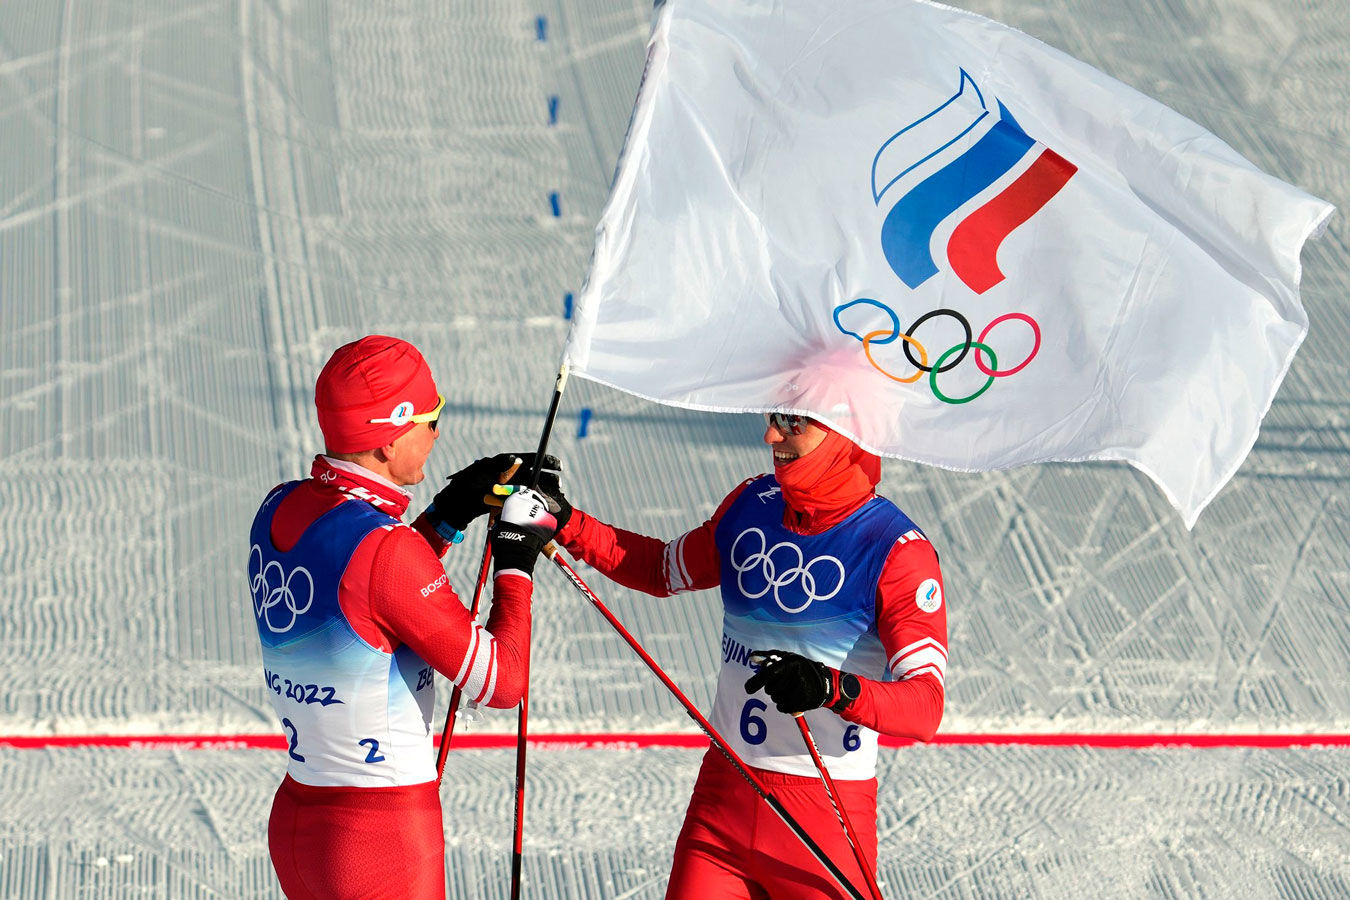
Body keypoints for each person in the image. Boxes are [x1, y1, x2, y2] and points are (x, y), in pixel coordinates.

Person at [538, 412, 946, 899]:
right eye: (775, 418)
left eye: (795, 424)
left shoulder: (896, 551)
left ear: (847, 432)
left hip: (824, 817)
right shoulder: (753, 503)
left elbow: (925, 707)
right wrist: (562, 521)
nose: (771, 436)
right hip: (722, 803)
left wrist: (829, 687)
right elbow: (662, 569)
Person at [247, 335, 560, 900]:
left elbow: (366, 596)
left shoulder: (279, 505)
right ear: (390, 437)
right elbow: (503, 681)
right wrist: (516, 559)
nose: (438, 433)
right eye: (432, 417)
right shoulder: (387, 550)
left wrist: (449, 511)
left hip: (300, 822)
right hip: (380, 837)